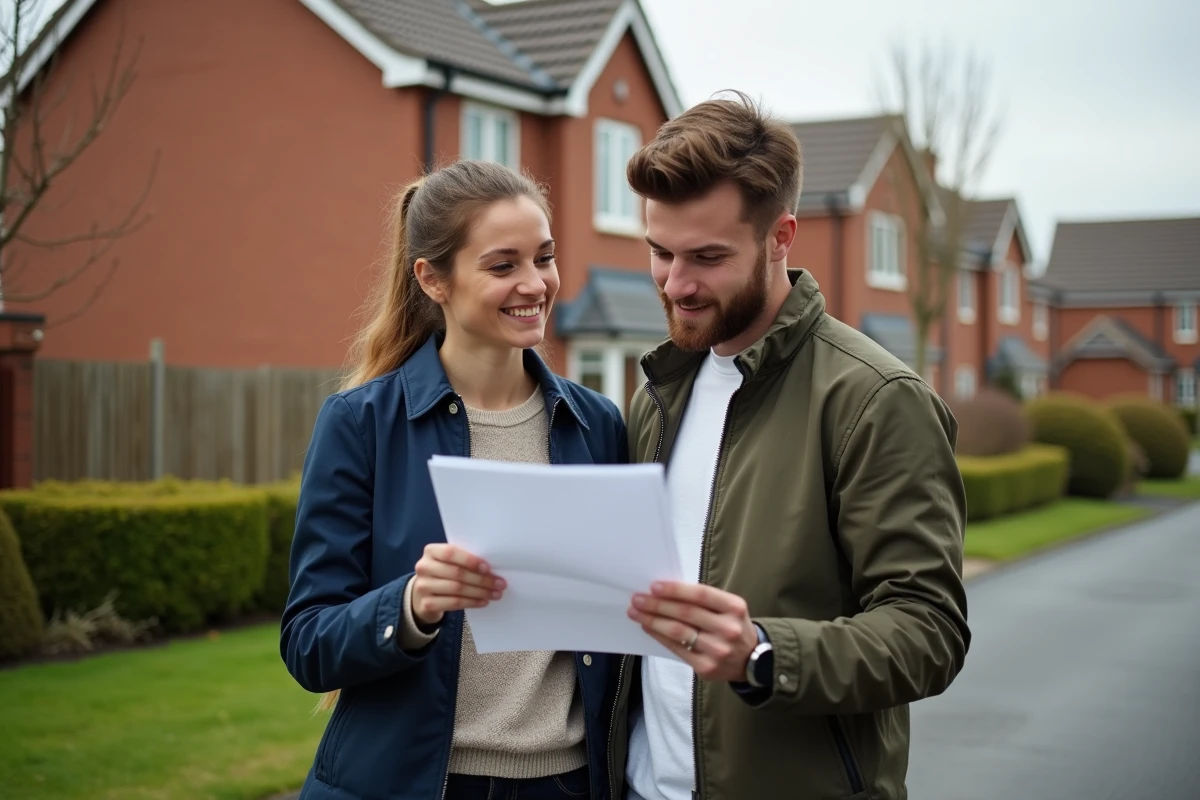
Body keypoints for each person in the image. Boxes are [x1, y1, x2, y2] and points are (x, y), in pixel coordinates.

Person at [610, 92, 971, 800]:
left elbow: (929, 631)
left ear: (781, 237)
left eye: (707, 257)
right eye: (660, 252)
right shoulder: (656, 395)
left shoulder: (874, 399)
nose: (676, 284)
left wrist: (765, 654)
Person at [280, 160, 628, 800]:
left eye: (544, 258)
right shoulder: (361, 424)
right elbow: (308, 642)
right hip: (414, 784)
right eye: (503, 266)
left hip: (569, 784)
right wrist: (411, 604)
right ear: (432, 279)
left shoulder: (597, 425)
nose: (535, 283)